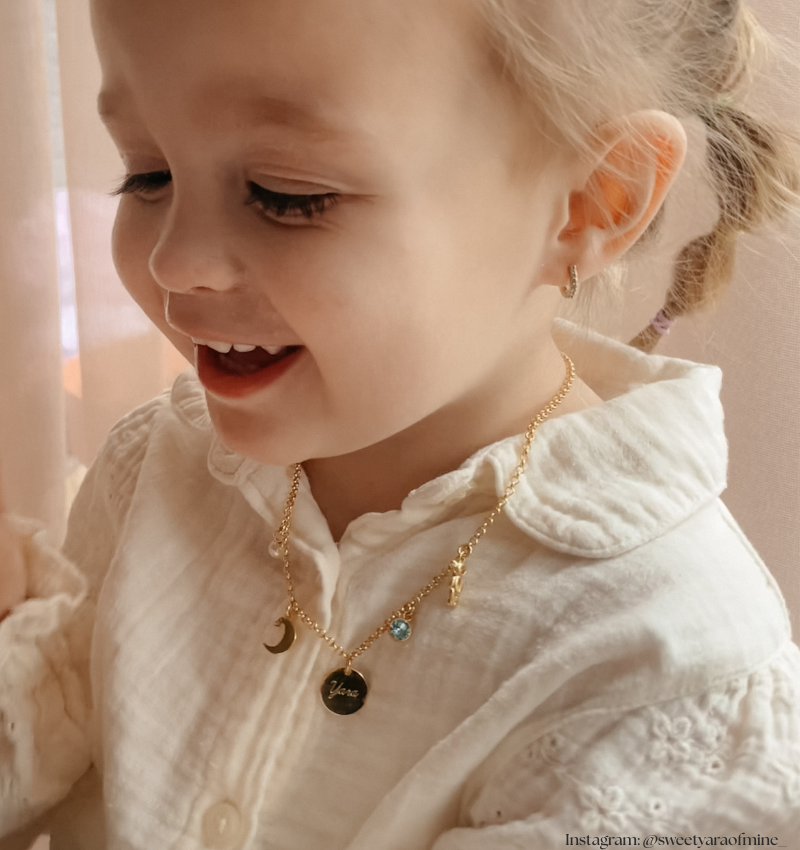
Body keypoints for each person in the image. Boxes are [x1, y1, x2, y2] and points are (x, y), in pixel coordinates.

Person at [1, 0, 799, 846]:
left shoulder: (662, 660)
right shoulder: (150, 467)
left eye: (286, 195)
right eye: (147, 174)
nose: (176, 262)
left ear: (593, 202)